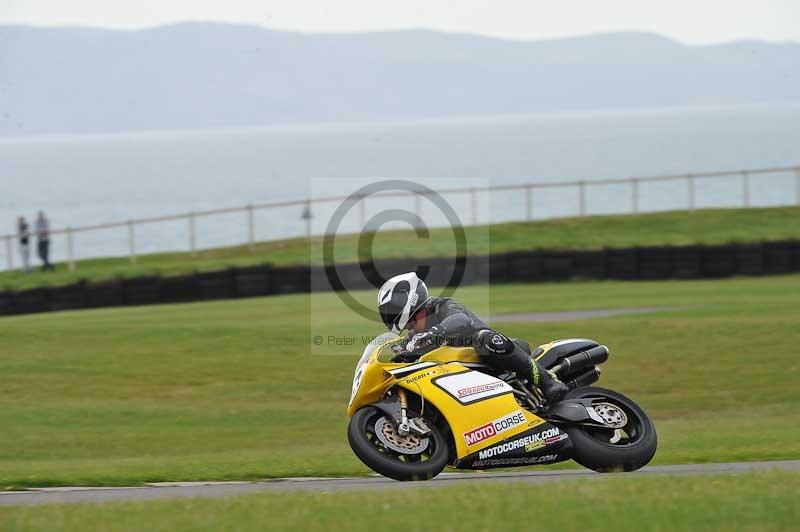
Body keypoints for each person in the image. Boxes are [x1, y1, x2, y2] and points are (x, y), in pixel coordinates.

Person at [377, 272, 568, 404]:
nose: (411, 328)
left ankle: (548, 381)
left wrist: (436, 331)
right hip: (467, 377)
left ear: (419, 307)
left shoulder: (442, 306)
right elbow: (402, 350)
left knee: (485, 339)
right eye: (407, 327)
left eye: (411, 321)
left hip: (497, 354)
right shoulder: (417, 338)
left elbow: (461, 320)